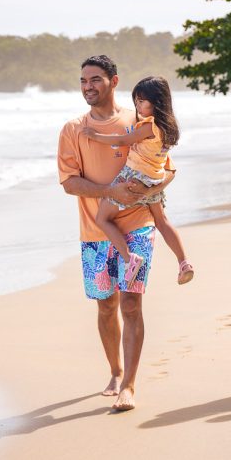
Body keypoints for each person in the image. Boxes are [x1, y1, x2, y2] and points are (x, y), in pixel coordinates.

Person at [57, 55, 175, 411]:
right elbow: (69, 183)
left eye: (95, 79)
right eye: (83, 80)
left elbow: (165, 167)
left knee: (131, 304)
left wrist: (148, 191)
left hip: (138, 226)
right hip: (95, 232)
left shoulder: (137, 120)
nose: (88, 86)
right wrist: (111, 191)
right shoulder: (72, 129)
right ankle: (114, 371)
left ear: (114, 81)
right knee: (106, 306)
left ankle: (129, 385)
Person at [81, 76, 194, 285]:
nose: (138, 105)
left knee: (102, 219)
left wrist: (95, 136)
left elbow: (123, 140)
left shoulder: (149, 126)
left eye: (142, 101)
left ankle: (129, 259)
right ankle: (183, 262)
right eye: (136, 101)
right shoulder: (169, 127)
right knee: (162, 221)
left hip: (133, 177)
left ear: (157, 102)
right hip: (154, 180)